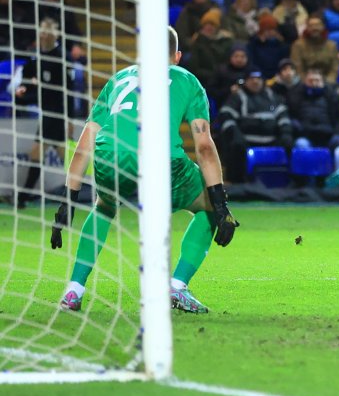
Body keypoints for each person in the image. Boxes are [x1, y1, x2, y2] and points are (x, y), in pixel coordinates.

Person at [52, 27, 239, 313]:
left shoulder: (118, 79)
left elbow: (83, 146)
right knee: (210, 207)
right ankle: (176, 288)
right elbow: (203, 147)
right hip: (159, 158)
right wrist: (221, 203)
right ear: (176, 56)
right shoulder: (187, 80)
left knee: (104, 206)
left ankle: (73, 291)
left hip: (109, 155)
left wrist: (67, 202)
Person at [15, 18, 72, 208]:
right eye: (42, 32)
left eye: (47, 32)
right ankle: (24, 197)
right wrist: (24, 86)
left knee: (40, 155)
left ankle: (22, 197)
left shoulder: (60, 57)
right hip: (47, 113)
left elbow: (69, 91)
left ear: (53, 36)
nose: (43, 35)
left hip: (58, 114)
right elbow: (26, 76)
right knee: (64, 159)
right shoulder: (36, 57)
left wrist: (69, 119)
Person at [217, 69, 292, 183]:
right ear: (246, 81)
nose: (255, 82)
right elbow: (226, 116)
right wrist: (236, 134)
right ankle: (238, 183)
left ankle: (286, 182)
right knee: (235, 145)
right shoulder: (237, 97)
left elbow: (284, 117)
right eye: (252, 79)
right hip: (246, 140)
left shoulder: (273, 97)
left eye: (258, 79)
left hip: (272, 140)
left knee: (289, 143)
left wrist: (286, 133)